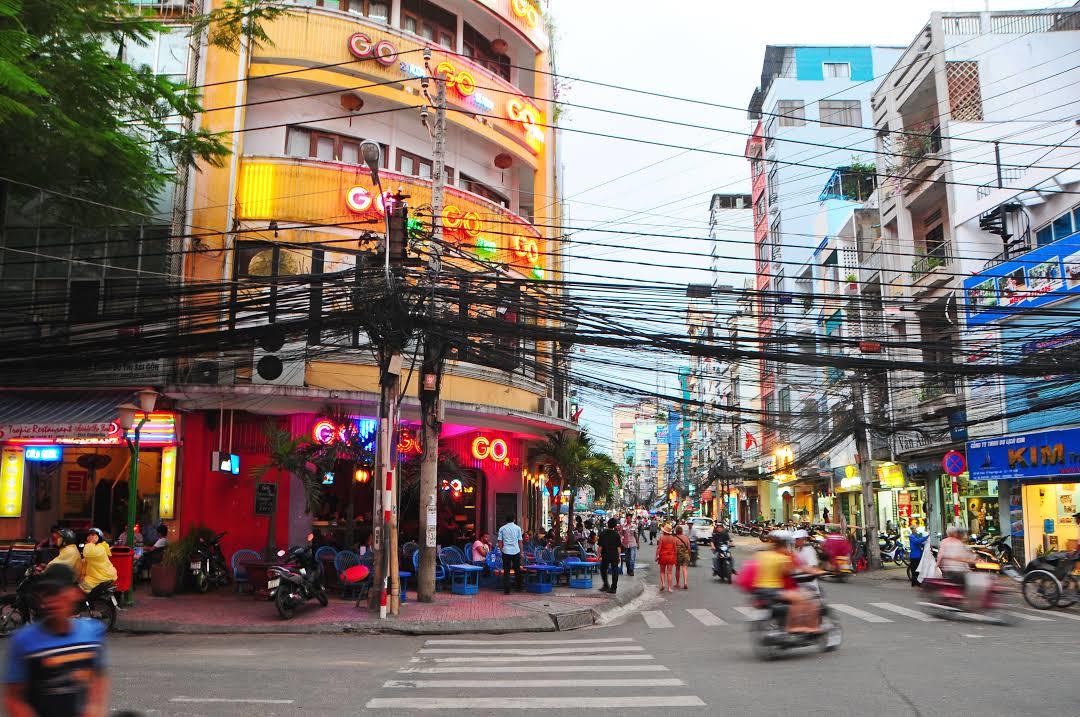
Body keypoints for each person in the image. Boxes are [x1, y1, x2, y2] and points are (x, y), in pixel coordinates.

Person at [4, 563, 109, 717]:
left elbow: (98, 676)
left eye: (58, 593)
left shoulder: (92, 633)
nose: (52, 601)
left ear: (75, 594)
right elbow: (13, 698)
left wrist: (94, 706)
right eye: (46, 594)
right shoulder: (24, 641)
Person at [753, 531, 818, 633]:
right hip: (776, 589)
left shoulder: (763, 554)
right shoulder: (784, 556)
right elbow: (794, 569)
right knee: (803, 600)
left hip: (760, 589)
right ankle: (794, 627)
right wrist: (816, 572)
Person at [79, 529, 117, 595]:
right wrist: (82, 574)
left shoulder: (100, 547)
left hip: (101, 576)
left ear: (99, 537)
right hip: (96, 575)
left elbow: (88, 553)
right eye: (89, 535)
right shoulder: (94, 546)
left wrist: (91, 542)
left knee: (80, 590)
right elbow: (87, 562)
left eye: (93, 535)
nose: (90, 537)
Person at [497, 515, 524, 594]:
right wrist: (521, 552)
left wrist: (502, 550)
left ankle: (507, 589)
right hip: (516, 550)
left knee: (506, 571)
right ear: (514, 520)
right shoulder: (518, 528)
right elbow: (520, 541)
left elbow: (499, 541)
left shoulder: (502, 528)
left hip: (506, 551)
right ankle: (519, 587)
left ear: (506, 520)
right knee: (517, 569)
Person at [597, 518, 622, 594]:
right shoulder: (616, 534)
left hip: (605, 554)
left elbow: (600, 546)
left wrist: (598, 555)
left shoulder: (603, 533)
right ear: (615, 525)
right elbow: (618, 547)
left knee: (603, 569)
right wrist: (619, 556)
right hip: (614, 554)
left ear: (607, 524)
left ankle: (606, 585)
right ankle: (613, 588)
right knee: (615, 571)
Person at [792, 530, 820, 594]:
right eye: (795, 539)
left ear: (804, 539)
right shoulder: (796, 550)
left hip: (808, 582)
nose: (795, 541)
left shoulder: (809, 550)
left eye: (797, 539)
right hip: (799, 580)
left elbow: (813, 566)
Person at [655, 523, 678, 593]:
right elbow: (675, 548)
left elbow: (659, 548)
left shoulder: (662, 538)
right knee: (669, 572)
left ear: (664, 531)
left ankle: (663, 584)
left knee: (662, 571)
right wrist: (675, 556)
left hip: (663, 556)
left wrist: (656, 555)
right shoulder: (673, 538)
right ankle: (669, 588)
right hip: (671, 556)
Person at [674, 526, 692, 590]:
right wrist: (689, 554)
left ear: (676, 531)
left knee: (677, 569)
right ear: (682, 531)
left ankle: (677, 583)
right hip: (685, 554)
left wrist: (674, 556)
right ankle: (685, 583)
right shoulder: (686, 538)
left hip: (678, 555)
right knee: (685, 569)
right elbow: (689, 548)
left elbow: (674, 548)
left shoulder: (675, 538)